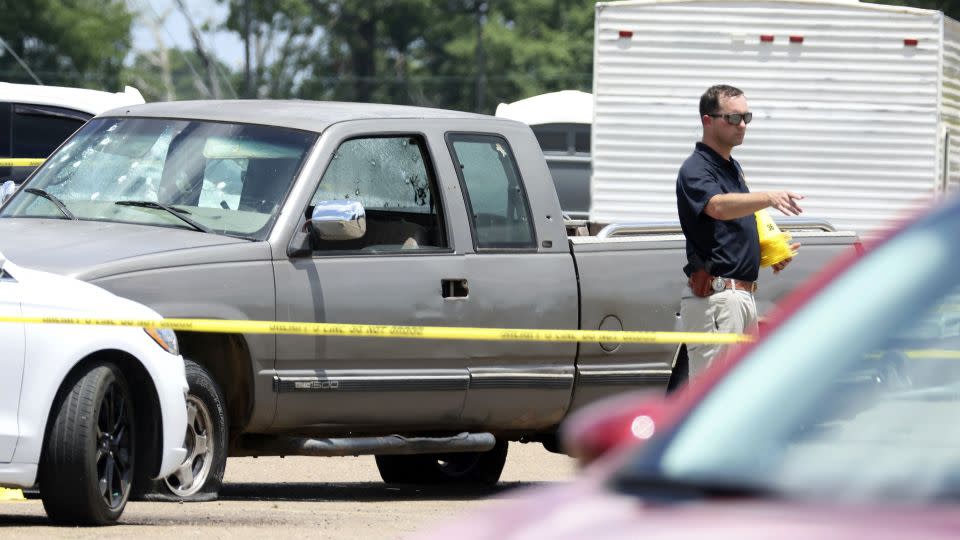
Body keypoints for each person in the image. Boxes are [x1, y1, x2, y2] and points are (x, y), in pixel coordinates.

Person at [676, 84, 803, 379]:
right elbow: (718, 207)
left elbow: (725, 231)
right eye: (733, 118)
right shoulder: (695, 168)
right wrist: (768, 197)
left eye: (747, 117)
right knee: (714, 398)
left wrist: (764, 254)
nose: (742, 125)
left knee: (737, 397)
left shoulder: (731, 168)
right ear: (708, 120)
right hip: (718, 298)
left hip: (739, 296)